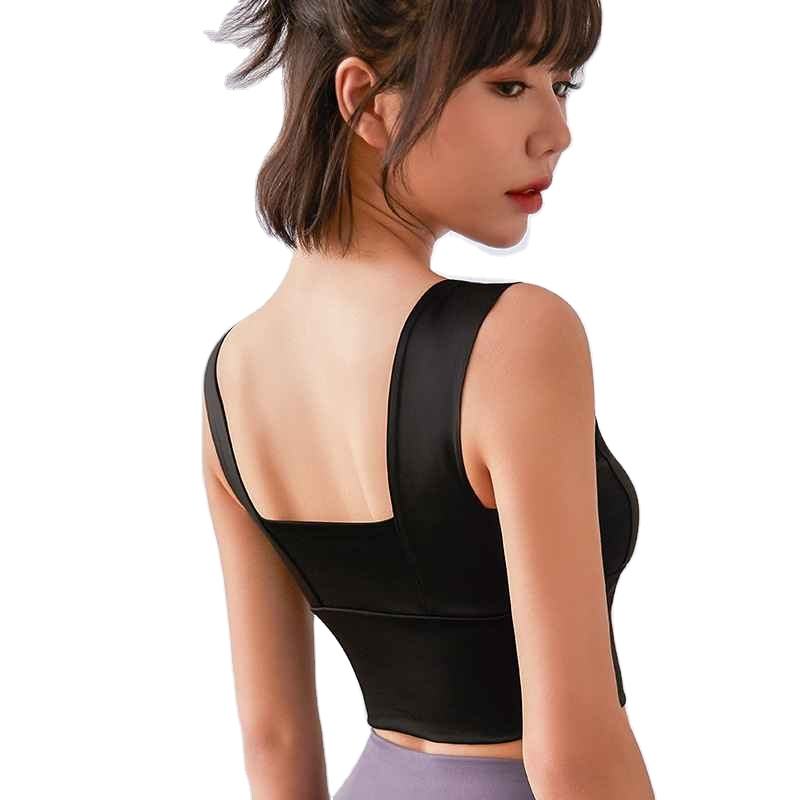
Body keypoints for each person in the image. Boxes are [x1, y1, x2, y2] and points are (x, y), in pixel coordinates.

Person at [201, 1, 655, 798]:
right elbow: (574, 752)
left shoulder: (232, 376)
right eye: (509, 85)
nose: (557, 132)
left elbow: (273, 741)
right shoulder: (516, 340)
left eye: (562, 85)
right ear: (368, 101)